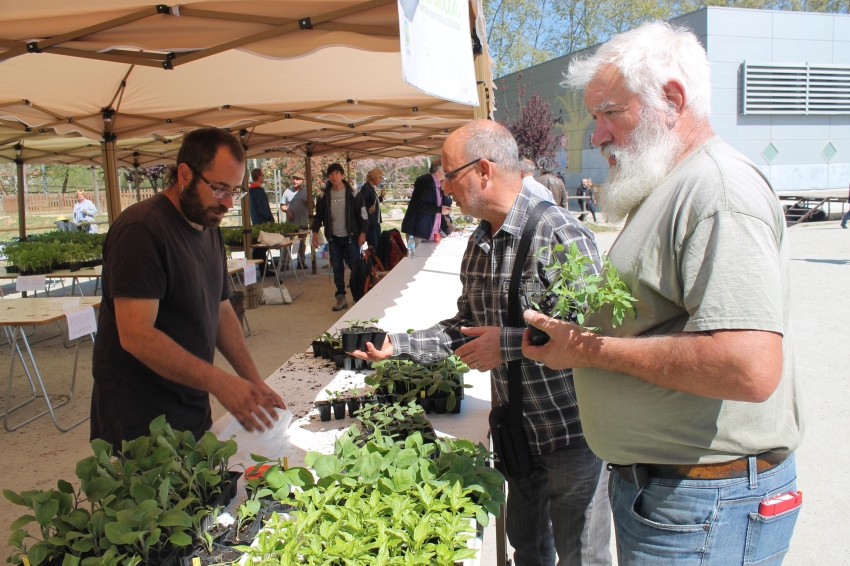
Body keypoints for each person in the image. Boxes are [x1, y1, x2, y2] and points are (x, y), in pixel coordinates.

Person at [522, 22, 803, 565]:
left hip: (705, 502)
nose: (596, 135)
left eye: (609, 113)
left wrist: (584, 350)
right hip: (675, 497)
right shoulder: (670, 186)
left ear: (672, 100)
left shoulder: (717, 188)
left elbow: (747, 365)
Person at [354, 120, 612, 566]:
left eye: (450, 174)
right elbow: (467, 325)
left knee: (582, 556)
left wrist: (506, 345)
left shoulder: (559, 231)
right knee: (527, 548)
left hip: (571, 435)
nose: (444, 185)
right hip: (517, 432)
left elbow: (590, 334)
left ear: (484, 171)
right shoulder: (477, 244)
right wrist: (399, 345)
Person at [91, 127, 285, 450]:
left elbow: (221, 310)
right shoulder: (141, 230)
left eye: (234, 192)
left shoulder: (208, 226)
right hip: (139, 425)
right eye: (219, 189)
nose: (226, 204)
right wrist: (221, 383)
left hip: (190, 410)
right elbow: (136, 334)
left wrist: (252, 380)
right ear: (184, 173)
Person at [311, 163, 368, 311]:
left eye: (337, 173)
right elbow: (318, 217)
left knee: (355, 268)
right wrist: (315, 233)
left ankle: (358, 295)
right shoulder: (324, 196)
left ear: (342, 175)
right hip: (334, 239)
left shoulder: (354, 194)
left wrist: (362, 233)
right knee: (337, 269)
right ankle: (340, 297)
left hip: (351, 238)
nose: (334, 176)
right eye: (331, 174)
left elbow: (363, 215)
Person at [401, 159, 452, 245]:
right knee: (417, 257)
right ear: (440, 171)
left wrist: (448, 231)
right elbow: (418, 204)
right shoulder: (426, 182)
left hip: (428, 232)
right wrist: (439, 209)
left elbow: (438, 213)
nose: (447, 173)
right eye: (445, 170)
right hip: (417, 231)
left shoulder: (437, 184)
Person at [248, 168, 274, 273]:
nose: (263, 177)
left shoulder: (249, 191)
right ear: (259, 177)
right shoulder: (259, 191)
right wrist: (270, 219)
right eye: (263, 175)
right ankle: (264, 270)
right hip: (263, 222)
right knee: (263, 247)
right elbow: (263, 208)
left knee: (258, 247)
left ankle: (256, 268)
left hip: (255, 221)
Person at [281, 173, 310, 268]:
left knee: (302, 243)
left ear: (302, 180)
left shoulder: (306, 192)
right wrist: (288, 211)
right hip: (291, 224)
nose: (294, 181)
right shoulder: (287, 192)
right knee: (287, 243)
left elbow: (312, 205)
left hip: (303, 222)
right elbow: (282, 205)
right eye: (293, 179)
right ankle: (285, 263)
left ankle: (301, 262)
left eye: (297, 179)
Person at [360, 168, 385, 249]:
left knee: (379, 244)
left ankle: (378, 261)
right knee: (374, 246)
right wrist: (368, 210)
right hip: (370, 222)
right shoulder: (366, 189)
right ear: (374, 177)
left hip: (375, 221)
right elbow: (361, 205)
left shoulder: (371, 188)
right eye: (380, 177)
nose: (381, 179)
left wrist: (380, 197)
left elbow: (374, 202)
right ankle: (374, 261)